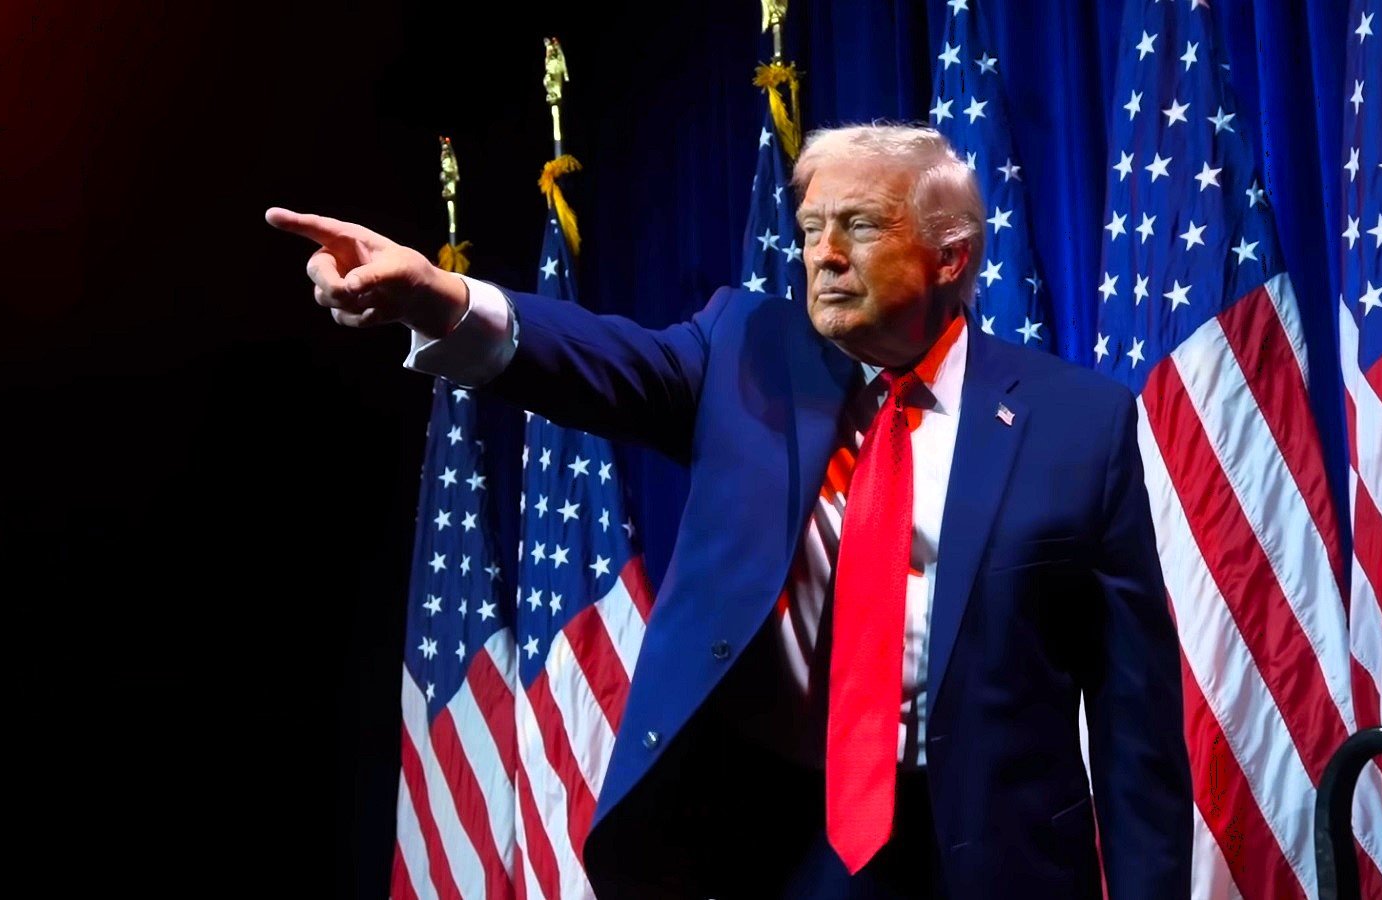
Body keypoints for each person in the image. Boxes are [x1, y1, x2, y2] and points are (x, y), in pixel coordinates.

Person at [267, 123, 1191, 899]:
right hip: (779, 850)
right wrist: (438, 298)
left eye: (860, 226)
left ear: (951, 256)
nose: (824, 254)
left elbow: (1134, 716)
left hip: (999, 857)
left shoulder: (1080, 422)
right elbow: (591, 359)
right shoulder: (745, 350)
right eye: (812, 227)